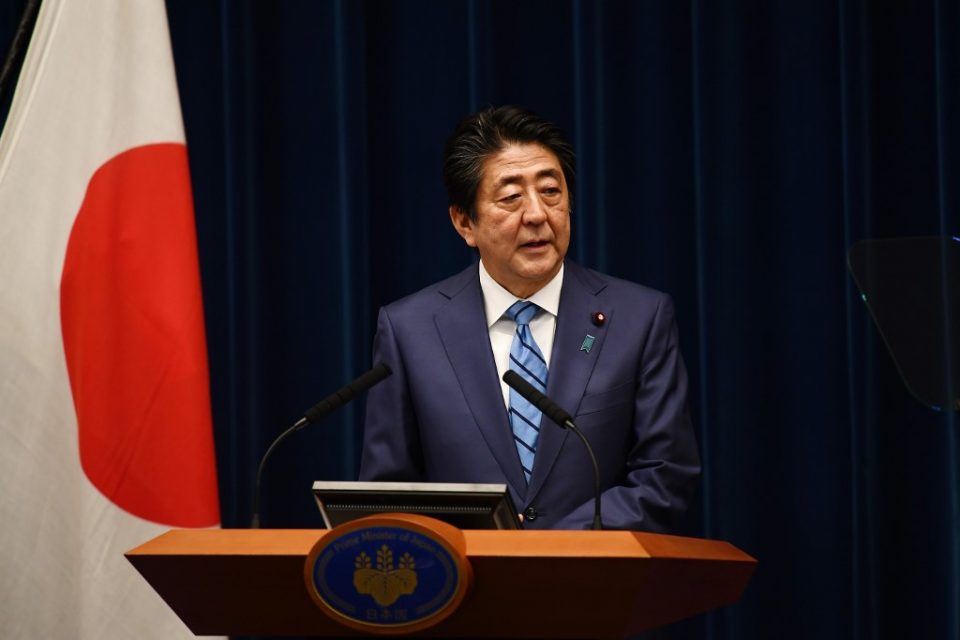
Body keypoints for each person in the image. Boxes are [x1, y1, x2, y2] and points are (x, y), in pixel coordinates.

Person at [359, 105, 700, 531]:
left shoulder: (640, 319)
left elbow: (666, 474)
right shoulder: (410, 330)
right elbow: (388, 495)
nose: (537, 214)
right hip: (467, 573)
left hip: (597, 570)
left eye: (551, 191)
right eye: (511, 198)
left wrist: (550, 544)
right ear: (464, 222)